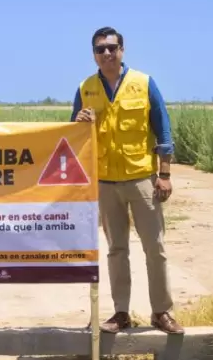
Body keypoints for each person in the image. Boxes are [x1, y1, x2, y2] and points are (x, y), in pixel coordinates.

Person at [71, 26, 184, 335]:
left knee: (154, 247)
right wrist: (79, 123)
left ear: (122, 50)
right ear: (93, 55)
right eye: (100, 49)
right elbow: (73, 137)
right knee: (116, 249)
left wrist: (165, 175)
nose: (106, 53)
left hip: (142, 180)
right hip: (105, 182)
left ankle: (161, 312)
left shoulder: (144, 84)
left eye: (112, 47)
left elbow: (163, 131)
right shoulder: (85, 88)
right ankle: (121, 313)